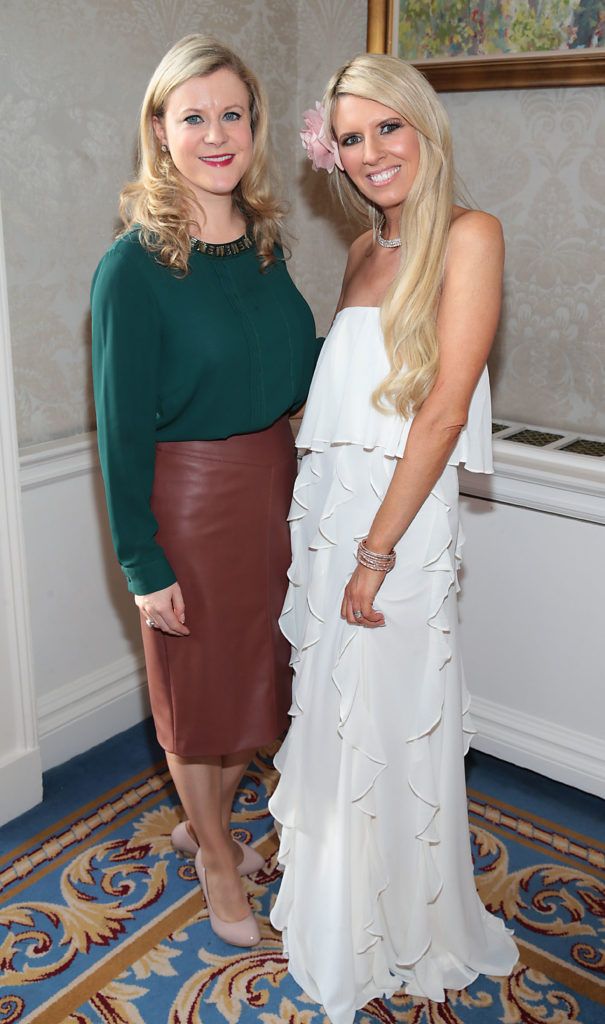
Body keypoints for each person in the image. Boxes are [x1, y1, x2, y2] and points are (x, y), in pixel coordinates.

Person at [269, 53, 519, 1020]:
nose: (369, 152)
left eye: (386, 128)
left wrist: (374, 554)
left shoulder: (470, 236)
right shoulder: (363, 251)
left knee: (391, 722)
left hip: (396, 538)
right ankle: (344, 914)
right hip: (335, 526)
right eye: (349, 135)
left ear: (422, 128)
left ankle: (405, 928)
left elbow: (444, 413)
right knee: (334, 719)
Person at [91, 35, 319, 948]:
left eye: (232, 114)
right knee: (197, 695)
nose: (216, 134)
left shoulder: (264, 244)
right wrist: (143, 563)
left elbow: (293, 366)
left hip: (274, 485)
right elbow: (118, 428)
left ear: (255, 128)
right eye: (194, 116)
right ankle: (218, 861)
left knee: (255, 682)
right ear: (160, 130)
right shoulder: (133, 268)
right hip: (189, 501)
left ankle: (201, 823)